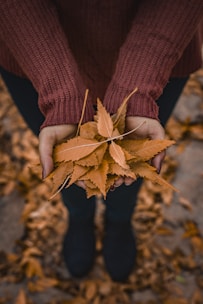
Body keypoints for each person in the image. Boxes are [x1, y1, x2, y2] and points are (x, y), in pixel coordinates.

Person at [0, 0, 202, 282]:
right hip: (34, 53)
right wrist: (60, 93)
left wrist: (136, 88)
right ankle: (79, 216)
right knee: (66, 162)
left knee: (130, 162)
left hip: (159, 51)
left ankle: (119, 220)